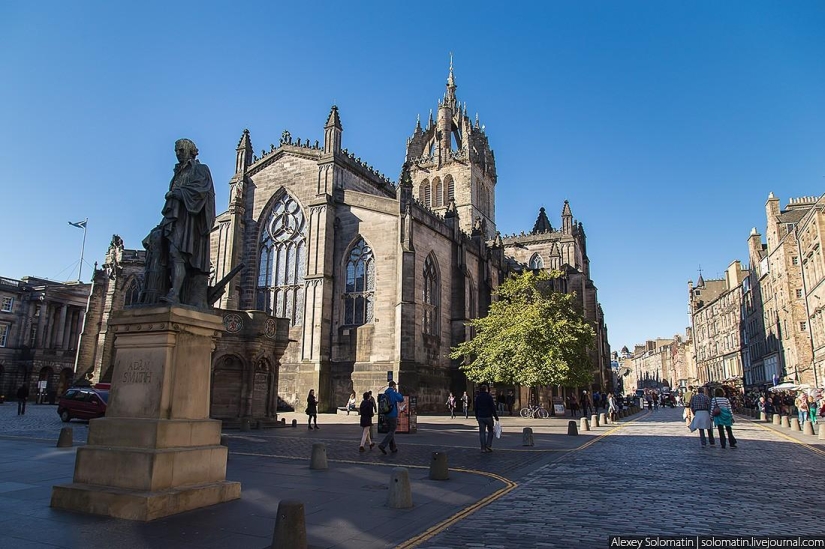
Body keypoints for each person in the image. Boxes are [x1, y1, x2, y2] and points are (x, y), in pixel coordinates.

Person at [143, 138, 216, 309]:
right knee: (166, 254)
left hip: (190, 222)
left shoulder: (200, 169)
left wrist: (178, 193)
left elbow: (202, 192)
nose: (178, 154)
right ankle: (165, 293)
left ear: (191, 151)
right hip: (175, 219)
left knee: (177, 255)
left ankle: (174, 294)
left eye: (181, 150)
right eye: (176, 151)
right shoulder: (178, 173)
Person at [378, 381, 404, 454]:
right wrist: (396, 391)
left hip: (386, 414)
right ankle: (382, 445)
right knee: (392, 431)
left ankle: (393, 448)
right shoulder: (393, 393)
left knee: (390, 431)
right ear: (393, 386)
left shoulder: (385, 393)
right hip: (392, 415)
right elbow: (401, 399)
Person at [475, 384, 499, 453]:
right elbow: (492, 408)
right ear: (486, 389)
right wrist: (496, 416)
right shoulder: (489, 397)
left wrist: (476, 416)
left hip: (480, 416)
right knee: (490, 431)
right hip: (488, 416)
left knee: (482, 432)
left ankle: (483, 448)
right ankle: (488, 445)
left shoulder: (478, 397)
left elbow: (476, 408)